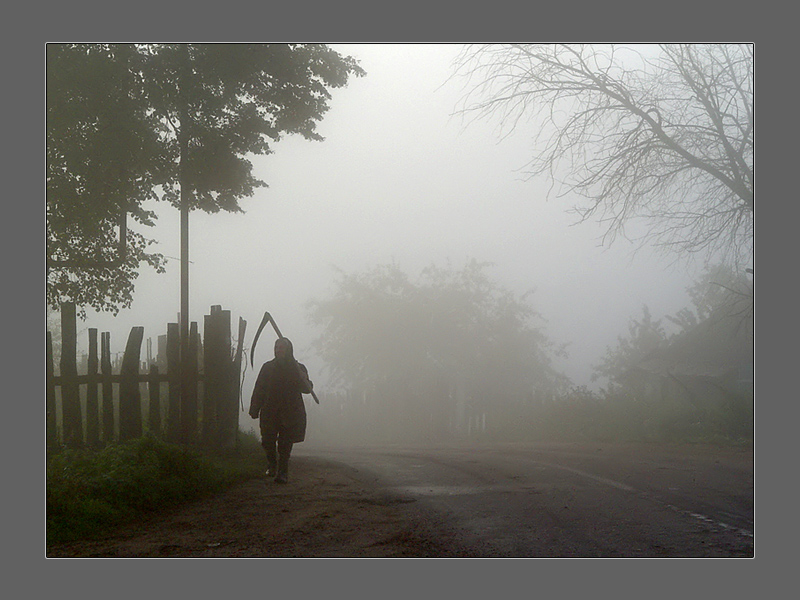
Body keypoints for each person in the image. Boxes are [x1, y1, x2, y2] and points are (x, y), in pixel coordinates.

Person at [248, 337, 314, 483]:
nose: (279, 350)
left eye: (282, 348)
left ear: (288, 350)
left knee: (285, 444)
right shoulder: (268, 368)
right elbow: (260, 389)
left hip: (289, 412)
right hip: (269, 411)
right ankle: (272, 464)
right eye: (276, 347)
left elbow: (307, 389)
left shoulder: (297, 368)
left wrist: (304, 379)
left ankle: (282, 472)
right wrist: (255, 408)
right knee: (267, 441)